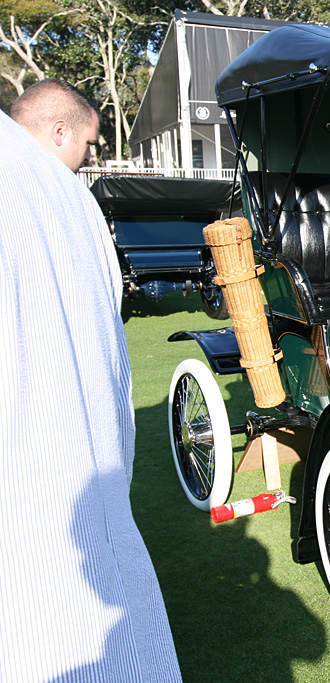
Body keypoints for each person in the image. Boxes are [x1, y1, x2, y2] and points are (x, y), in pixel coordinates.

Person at [1, 81, 182, 681]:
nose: (88, 159)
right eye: (87, 144)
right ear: (59, 131)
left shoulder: (61, 199)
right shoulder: (70, 204)